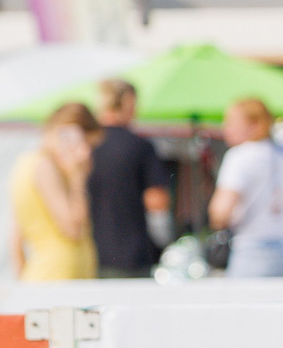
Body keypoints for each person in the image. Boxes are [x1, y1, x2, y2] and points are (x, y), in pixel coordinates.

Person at [211, 95, 283, 277]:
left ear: (255, 125)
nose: (226, 127)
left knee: (241, 304)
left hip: (254, 248)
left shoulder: (239, 156)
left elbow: (221, 211)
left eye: (232, 121)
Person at [86, 78, 170, 277]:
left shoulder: (85, 147)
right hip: (132, 253)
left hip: (88, 253)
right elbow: (157, 201)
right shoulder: (140, 146)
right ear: (127, 102)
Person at [12, 103, 100, 281]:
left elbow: (15, 239)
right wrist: (78, 177)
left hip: (44, 276)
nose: (88, 153)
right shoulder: (45, 167)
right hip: (59, 276)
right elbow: (73, 229)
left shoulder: (26, 163)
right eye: (88, 144)